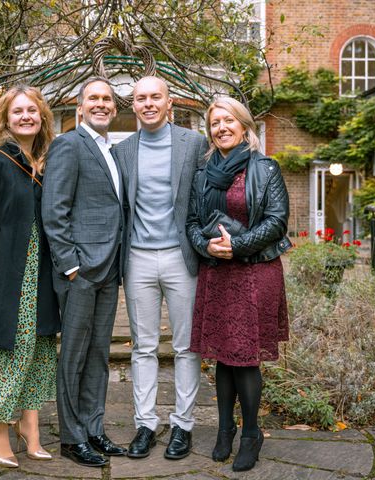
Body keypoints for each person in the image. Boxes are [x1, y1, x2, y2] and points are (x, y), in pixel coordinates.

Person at [186, 96, 291, 472]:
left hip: (253, 272)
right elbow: (191, 224)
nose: (222, 128)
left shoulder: (265, 168)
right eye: (215, 123)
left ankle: (251, 434)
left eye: (228, 120)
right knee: (221, 356)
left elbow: (277, 221)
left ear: (244, 126)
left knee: (244, 358)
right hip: (217, 271)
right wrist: (206, 244)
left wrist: (237, 244)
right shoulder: (203, 173)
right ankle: (224, 430)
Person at [113, 76, 208, 460]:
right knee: (144, 346)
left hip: (180, 256)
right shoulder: (123, 150)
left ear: (170, 103)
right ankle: (145, 423)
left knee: (186, 346)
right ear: (133, 106)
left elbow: (207, 197)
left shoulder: (194, 143)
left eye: (156, 97)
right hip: (137, 256)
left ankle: (183, 424)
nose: (148, 103)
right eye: (141, 98)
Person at [0, 85, 61, 468]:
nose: (26, 117)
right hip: (8, 274)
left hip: (42, 273)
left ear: (42, 118)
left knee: (39, 352)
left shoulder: (46, 163)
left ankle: (31, 428)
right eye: (18, 111)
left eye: (32, 111)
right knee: (6, 353)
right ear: (6, 119)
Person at [41, 77, 127, 467]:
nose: (101, 104)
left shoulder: (113, 149)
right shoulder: (67, 145)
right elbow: (54, 211)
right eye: (93, 98)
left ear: (114, 106)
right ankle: (72, 438)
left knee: (98, 354)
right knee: (73, 355)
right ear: (80, 107)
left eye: (107, 99)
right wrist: (71, 265)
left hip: (109, 269)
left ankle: (94, 429)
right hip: (81, 271)